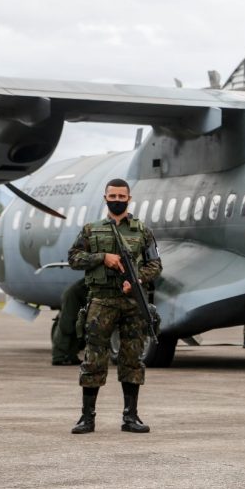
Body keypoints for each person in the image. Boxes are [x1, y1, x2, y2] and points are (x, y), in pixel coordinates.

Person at [67, 178, 162, 435]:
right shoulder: (91, 230)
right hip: (101, 301)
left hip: (132, 303)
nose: (117, 201)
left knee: (132, 358)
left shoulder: (142, 231)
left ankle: (130, 417)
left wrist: (137, 279)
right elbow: (73, 258)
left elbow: (156, 264)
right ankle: (87, 417)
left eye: (122, 197)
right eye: (113, 196)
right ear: (105, 198)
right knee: (94, 359)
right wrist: (102, 258)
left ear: (129, 199)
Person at [51, 278, 87, 366]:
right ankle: (58, 357)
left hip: (77, 298)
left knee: (77, 327)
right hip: (72, 298)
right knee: (67, 326)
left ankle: (71, 356)